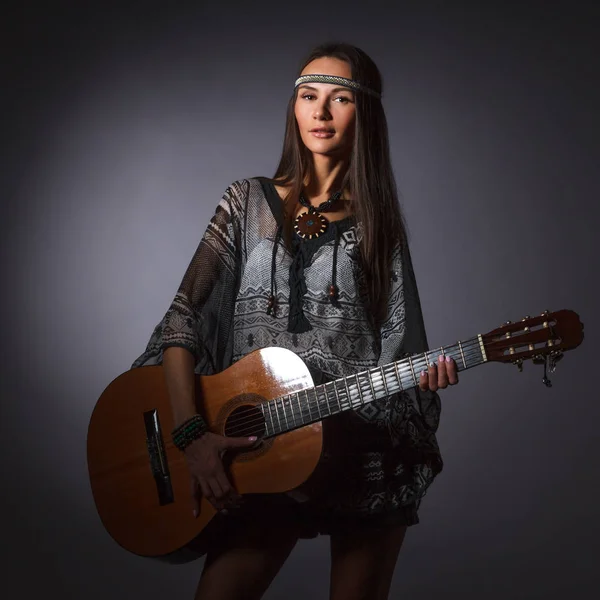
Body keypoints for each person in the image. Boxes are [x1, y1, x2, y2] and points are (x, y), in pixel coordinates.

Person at [132, 42, 459, 600]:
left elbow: (400, 353)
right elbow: (181, 324)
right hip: (261, 455)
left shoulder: (382, 231)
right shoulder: (245, 204)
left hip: (357, 449)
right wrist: (191, 437)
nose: (320, 112)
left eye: (338, 99)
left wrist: (423, 376)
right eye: (309, 96)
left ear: (366, 115)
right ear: (295, 108)